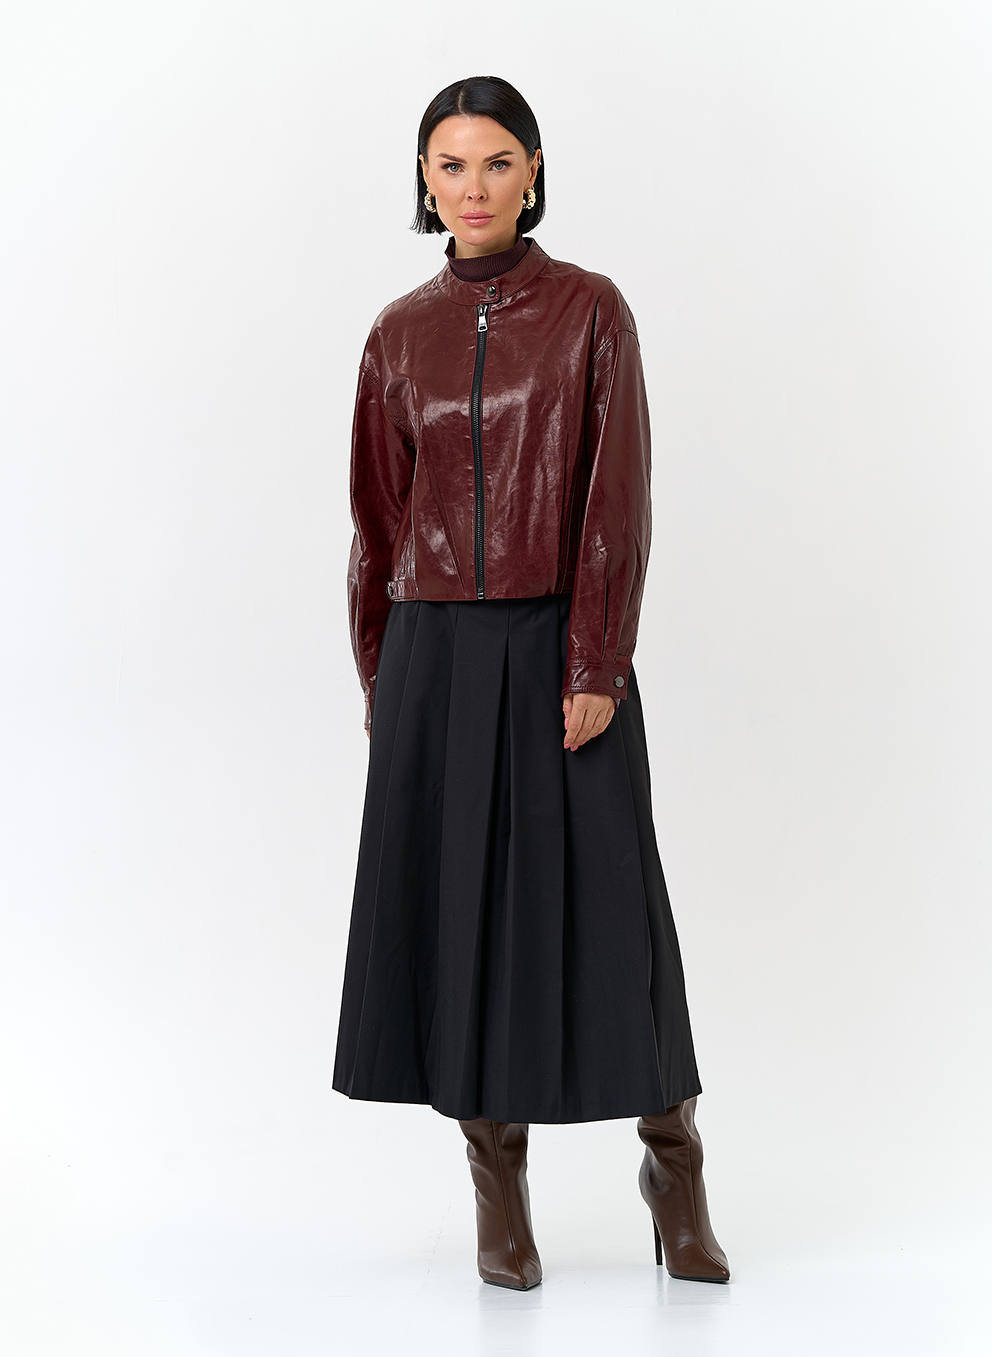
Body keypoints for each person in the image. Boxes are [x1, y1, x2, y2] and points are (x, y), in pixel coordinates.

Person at [332, 74, 730, 1291]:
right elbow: (375, 521)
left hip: (560, 638)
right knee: (459, 917)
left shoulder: (590, 311)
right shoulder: (397, 333)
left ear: (534, 172)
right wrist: (382, 676)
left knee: (616, 913)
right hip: (434, 656)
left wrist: (595, 656)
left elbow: (617, 495)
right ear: (424, 180)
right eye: (450, 166)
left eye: (496, 162)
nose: (473, 187)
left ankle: (672, 1162)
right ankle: (494, 1183)